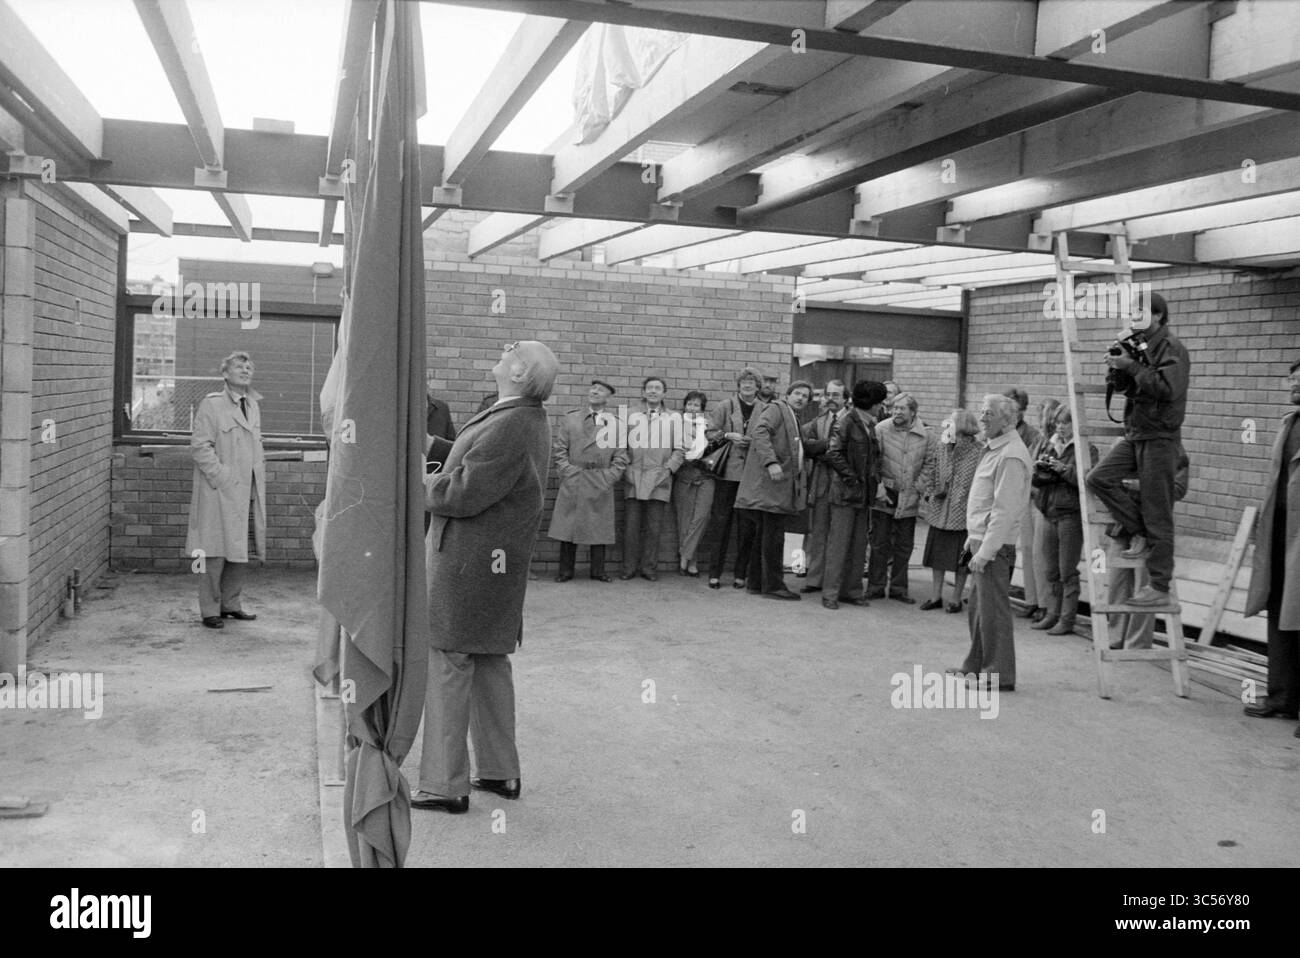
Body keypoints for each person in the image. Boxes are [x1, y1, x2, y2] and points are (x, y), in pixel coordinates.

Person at [412, 340, 558, 814]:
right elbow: (483, 461)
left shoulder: (513, 421)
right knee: (490, 662)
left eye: (512, 349)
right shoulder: (520, 415)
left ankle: (444, 785)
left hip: (469, 564)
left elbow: (463, 492)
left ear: (520, 371)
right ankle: (499, 772)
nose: (503, 349)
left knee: (449, 663)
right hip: (493, 564)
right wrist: (437, 447)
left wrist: (419, 481)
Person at [1085, 292, 1190, 606]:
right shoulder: (1139, 344)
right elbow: (1129, 387)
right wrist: (1117, 367)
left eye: (1140, 311)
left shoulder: (1171, 348)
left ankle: (1159, 587)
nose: (1133, 315)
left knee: (1159, 512)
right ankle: (1139, 530)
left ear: (1158, 315)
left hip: (1160, 438)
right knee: (1098, 478)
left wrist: (1130, 366)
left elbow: (1168, 389)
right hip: (1138, 433)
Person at [947, 394, 1031, 692]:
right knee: (979, 610)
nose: (982, 418)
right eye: (982, 412)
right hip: (982, 542)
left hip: (995, 547)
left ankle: (999, 674)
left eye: (989, 414)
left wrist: (986, 551)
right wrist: (974, 538)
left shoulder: (1010, 454)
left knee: (993, 611)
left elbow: (1004, 511)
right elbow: (984, 500)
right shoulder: (995, 448)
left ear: (1008, 420)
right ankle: (975, 666)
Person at [186, 350, 265, 629]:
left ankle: (231, 604)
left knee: (239, 549)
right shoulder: (213, 404)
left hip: (245, 490)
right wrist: (221, 476)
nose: (246, 369)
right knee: (214, 551)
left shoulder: (253, 404)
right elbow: (199, 447)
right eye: (239, 366)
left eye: (249, 365)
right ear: (224, 374)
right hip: (218, 490)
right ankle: (210, 610)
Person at [1243, 358, 1300, 734]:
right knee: (1280, 612)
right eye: (1291, 379)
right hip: (1281, 532)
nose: (1293, 385)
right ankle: (1282, 697)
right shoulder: (1288, 423)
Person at [736, 380, 812, 600]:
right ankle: (773, 586)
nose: (800, 398)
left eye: (805, 396)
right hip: (771, 488)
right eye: (797, 393)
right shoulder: (777, 409)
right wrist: (771, 462)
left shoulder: (792, 416)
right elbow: (760, 432)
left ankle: (756, 583)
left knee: (764, 536)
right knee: (773, 538)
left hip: (774, 489)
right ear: (787, 395)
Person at [548, 379, 627, 583]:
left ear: (608, 397)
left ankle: (598, 571)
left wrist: (609, 477)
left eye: (600, 390)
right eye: (593, 389)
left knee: (598, 527)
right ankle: (565, 571)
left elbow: (621, 456)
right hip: (575, 477)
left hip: (600, 479)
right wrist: (567, 472)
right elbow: (560, 449)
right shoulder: (572, 419)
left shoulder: (616, 424)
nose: (595, 392)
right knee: (568, 526)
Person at [821, 381, 886, 610]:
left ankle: (852, 590)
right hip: (846, 494)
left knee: (859, 545)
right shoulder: (847, 421)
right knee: (839, 545)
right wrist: (853, 479)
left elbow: (873, 458)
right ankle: (830, 593)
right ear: (872, 403)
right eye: (880, 402)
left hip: (861, 494)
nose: (882, 406)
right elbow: (833, 453)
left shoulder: (869, 423)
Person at [1030, 407, 1095, 635]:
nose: (1060, 427)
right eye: (1058, 422)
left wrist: (1064, 469)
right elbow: (1036, 479)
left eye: (1065, 423)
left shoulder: (1086, 448)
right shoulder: (1050, 444)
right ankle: (1052, 614)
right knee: (1050, 570)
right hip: (1048, 510)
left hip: (1070, 515)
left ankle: (1067, 619)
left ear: (1076, 424)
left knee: (1067, 570)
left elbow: (1088, 480)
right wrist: (1040, 470)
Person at [703, 367, 765, 589]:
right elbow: (708, 432)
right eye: (744, 381)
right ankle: (714, 573)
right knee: (720, 523)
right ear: (738, 385)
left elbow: (769, 437)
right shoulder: (725, 406)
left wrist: (753, 442)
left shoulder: (765, 409)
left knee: (747, 527)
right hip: (727, 474)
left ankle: (741, 574)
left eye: (752, 381)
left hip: (751, 476)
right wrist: (728, 435)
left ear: (758, 386)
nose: (747, 385)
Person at [620, 376, 685, 581]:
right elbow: (619, 445)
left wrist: (668, 470)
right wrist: (625, 468)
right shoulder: (629, 415)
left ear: (664, 393)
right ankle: (628, 568)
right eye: (649, 388)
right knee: (631, 527)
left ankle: (649, 569)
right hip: (634, 476)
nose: (653, 391)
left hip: (659, 478)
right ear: (643, 392)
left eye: (658, 388)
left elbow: (680, 449)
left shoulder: (674, 418)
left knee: (654, 527)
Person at [918, 408, 982, 613]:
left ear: (963, 426)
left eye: (952, 422)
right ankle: (936, 595)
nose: (948, 424)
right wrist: (930, 492)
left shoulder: (978, 451)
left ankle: (955, 599)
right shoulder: (943, 445)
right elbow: (934, 472)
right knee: (937, 556)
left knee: (961, 559)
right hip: (940, 508)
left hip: (963, 511)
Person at [868, 393, 929, 602]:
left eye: (902, 408)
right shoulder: (881, 429)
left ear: (913, 412)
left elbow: (930, 464)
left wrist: (918, 487)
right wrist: (879, 487)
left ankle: (898, 588)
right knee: (879, 543)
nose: (897, 412)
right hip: (885, 493)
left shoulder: (926, 435)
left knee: (904, 545)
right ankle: (875, 586)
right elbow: (873, 460)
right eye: (894, 408)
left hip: (910, 495)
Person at [798, 379, 847, 595]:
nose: (831, 399)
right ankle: (814, 578)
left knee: (838, 536)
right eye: (828, 394)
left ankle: (833, 580)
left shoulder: (851, 420)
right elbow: (805, 444)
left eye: (836, 395)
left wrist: (824, 450)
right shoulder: (819, 421)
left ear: (846, 398)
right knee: (818, 533)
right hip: (820, 484)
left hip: (844, 486)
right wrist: (828, 448)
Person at [1003, 388, 1044, 619]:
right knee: (999, 545)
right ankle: (995, 591)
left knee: (1029, 549)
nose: (1012, 414)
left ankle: (1032, 599)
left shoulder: (1031, 435)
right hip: (1001, 496)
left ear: (1023, 411)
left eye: (1017, 410)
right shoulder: (996, 431)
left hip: (1025, 498)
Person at [1020, 398, 1060, 621]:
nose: (1042, 420)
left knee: (1040, 553)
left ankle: (1045, 603)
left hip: (1043, 502)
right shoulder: (1038, 440)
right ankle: (1031, 599)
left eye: (1044, 415)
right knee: (1027, 550)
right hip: (1029, 498)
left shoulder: (1055, 442)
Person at [673, 390, 714, 576]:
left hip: (706, 477)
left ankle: (684, 555)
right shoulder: (676, 425)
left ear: (702, 408)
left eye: (696, 405)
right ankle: (691, 561)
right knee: (685, 520)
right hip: (684, 476)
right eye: (689, 404)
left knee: (701, 518)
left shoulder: (709, 426)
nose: (692, 408)